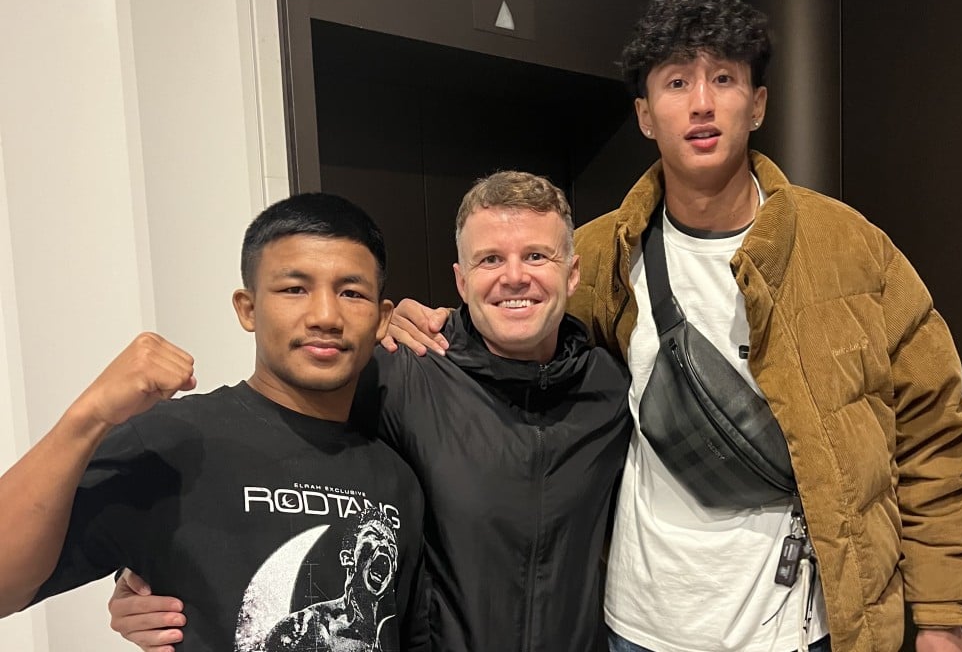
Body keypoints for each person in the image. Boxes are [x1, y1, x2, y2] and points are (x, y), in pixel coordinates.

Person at [348, 0, 962, 652]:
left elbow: (933, 426)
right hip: (643, 628)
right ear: (647, 115)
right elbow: (510, 322)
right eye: (677, 81)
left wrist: (941, 614)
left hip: (808, 627)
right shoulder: (596, 254)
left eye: (725, 78)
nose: (702, 102)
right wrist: (418, 324)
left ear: (758, 104)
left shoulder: (851, 250)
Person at [108, 171, 633, 652]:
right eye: (490, 259)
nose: (514, 277)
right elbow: (276, 457)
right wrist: (151, 574)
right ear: (460, 279)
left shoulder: (612, 388)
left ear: (572, 273)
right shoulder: (402, 370)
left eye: (537, 256)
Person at [0, 193, 429, 652]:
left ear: (382, 319)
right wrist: (88, 417)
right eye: (294, 288)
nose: (325, 316)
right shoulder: (172, 440)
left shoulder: (397, 478)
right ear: (247, 308)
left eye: (351, 292)